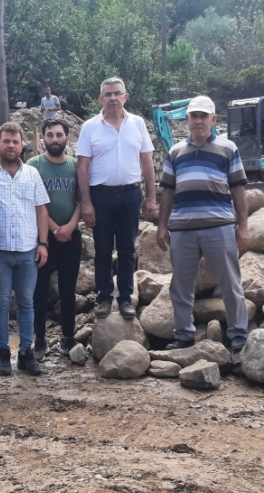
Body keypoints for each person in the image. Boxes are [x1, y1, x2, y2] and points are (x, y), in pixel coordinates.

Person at [156, 95, 251, 352]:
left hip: (218, 227)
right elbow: (167, 191)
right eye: (193, 116)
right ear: (186, 120)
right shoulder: (175, 152)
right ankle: (184, 334)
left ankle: (238, 332)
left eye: (203, 116)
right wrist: (162, 226)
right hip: (183, 230)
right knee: (181, 285)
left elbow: (238, 189)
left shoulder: (228, 149)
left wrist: (242, 226)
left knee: (230, 282)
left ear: (213, 119)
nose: (198, 120)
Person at [76, 77, 157, 319]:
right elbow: (82, 167)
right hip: (101, 196)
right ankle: (103, 297)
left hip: (130, 195)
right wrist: (86, 202)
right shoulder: (90, 127)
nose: (113, 98)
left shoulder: (138, 124)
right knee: (101, 249)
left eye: (117, 93)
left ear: (125, 96)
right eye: (108, 94)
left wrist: (151, 198)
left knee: (127, 249)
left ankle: (125, 299)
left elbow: (147, 163)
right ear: (101, 99)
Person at [0, 123, 50, 376]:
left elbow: (41, 209)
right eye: (6, 141)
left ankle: (26, 353)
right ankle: (3, 352)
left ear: (22, 145)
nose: (11, 145)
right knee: (1, 303)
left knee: (27, 303)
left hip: (28, 250)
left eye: (15, 142)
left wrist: (43, 244)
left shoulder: (32, 174)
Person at [29, 118, 81, 358]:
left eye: (59, 135)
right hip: (42, 239)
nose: (55, 140)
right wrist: (53, 229)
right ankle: (39, 340)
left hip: (71, 236)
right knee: (38, 290)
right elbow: (33, 203)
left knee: (68, 289)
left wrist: (70, 227)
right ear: (43, 139)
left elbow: (82, 200)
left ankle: (68, 337)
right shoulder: (33, 166)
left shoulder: (75, 166)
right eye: (50, 135)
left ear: (67, 138)